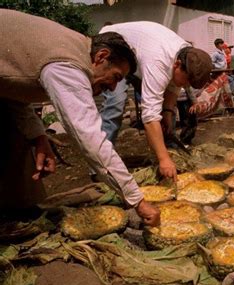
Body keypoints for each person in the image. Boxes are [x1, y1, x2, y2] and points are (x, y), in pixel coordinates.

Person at [0, 9, 160, 225]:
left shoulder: (76, 48)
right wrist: (138, 201)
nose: (113, 88)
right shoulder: (68, 65)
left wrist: (38, 137)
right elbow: (90, 139)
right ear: (101, 56)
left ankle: (15, 217)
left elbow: (12, 91)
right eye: (115, 77)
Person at [98, 21, 212, 182]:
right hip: (114, 48)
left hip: (139, 58)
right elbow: (149, 115)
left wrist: (167, 111)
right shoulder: (159, 61)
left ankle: (164, 154)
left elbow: (173, 86)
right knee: (115, 105)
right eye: (186, 81)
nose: (186, 86)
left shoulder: (185, 55)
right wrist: (164, 159)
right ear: (177, 65)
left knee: (165, 117)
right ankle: (99, 166)